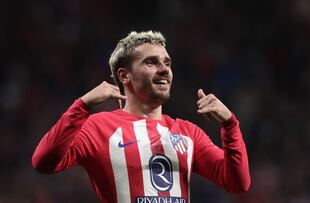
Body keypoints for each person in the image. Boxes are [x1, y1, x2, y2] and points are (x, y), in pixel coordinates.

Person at [32, 31, 251, 203]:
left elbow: (237, 183)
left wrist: (230, 125)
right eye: (151, 62)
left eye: (167, 63)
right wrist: (81, 105)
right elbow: (43, 162)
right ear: (124, 75)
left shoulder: (187, 133)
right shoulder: (98, 128)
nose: (164, 69)